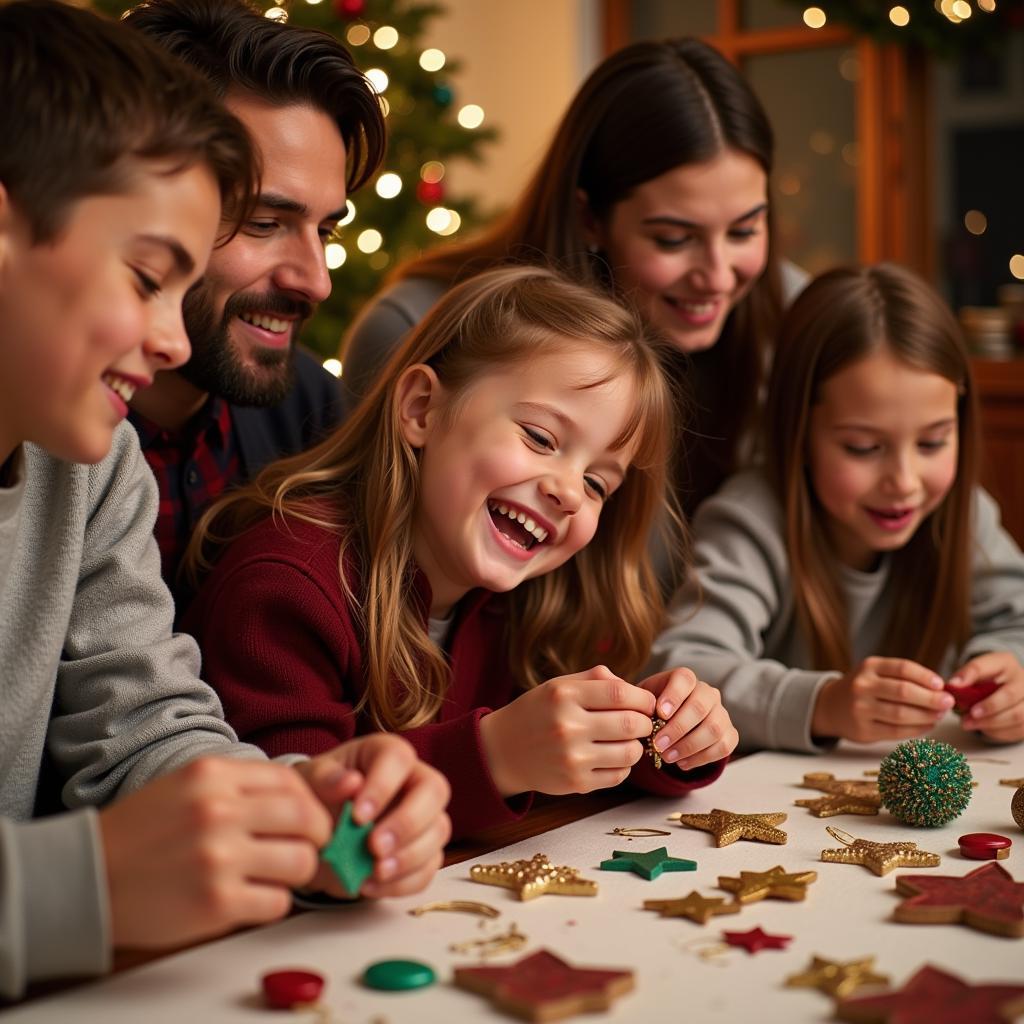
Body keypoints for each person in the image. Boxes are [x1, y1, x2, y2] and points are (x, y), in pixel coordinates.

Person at [0, 1, 448, 1001]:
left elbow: (146, 718)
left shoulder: (93, 459)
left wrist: (299, 804)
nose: (316, 275)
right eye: (151, 273)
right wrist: (87, 883)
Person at [182, 266, 739, 841]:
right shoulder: (285, 587)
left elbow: (574, 760)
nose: (570, 493)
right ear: (422, 409)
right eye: (540, 438)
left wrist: (662, 737)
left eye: (598, 484)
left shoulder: (536, 606)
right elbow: (303, 820)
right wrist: (495, 756)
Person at [341, 38, 804, 513]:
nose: (718, 277)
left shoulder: (796, 320)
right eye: (673, 239)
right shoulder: (416, 328)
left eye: (745, 230)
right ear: (589, 219)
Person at [645, 264, 1024, 753]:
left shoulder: (965, 513)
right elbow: (682, 669)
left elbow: (1017, 621)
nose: (904, 482)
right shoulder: (753, 518)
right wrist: (824, 703)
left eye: (932, 442)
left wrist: (1010, 670)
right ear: (800, 433)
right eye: (863, 448)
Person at [122, 0, 387, 601]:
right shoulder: (35, 434)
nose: (316, 281)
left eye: (324, 231)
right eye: (266, 223)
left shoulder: (313, 415)